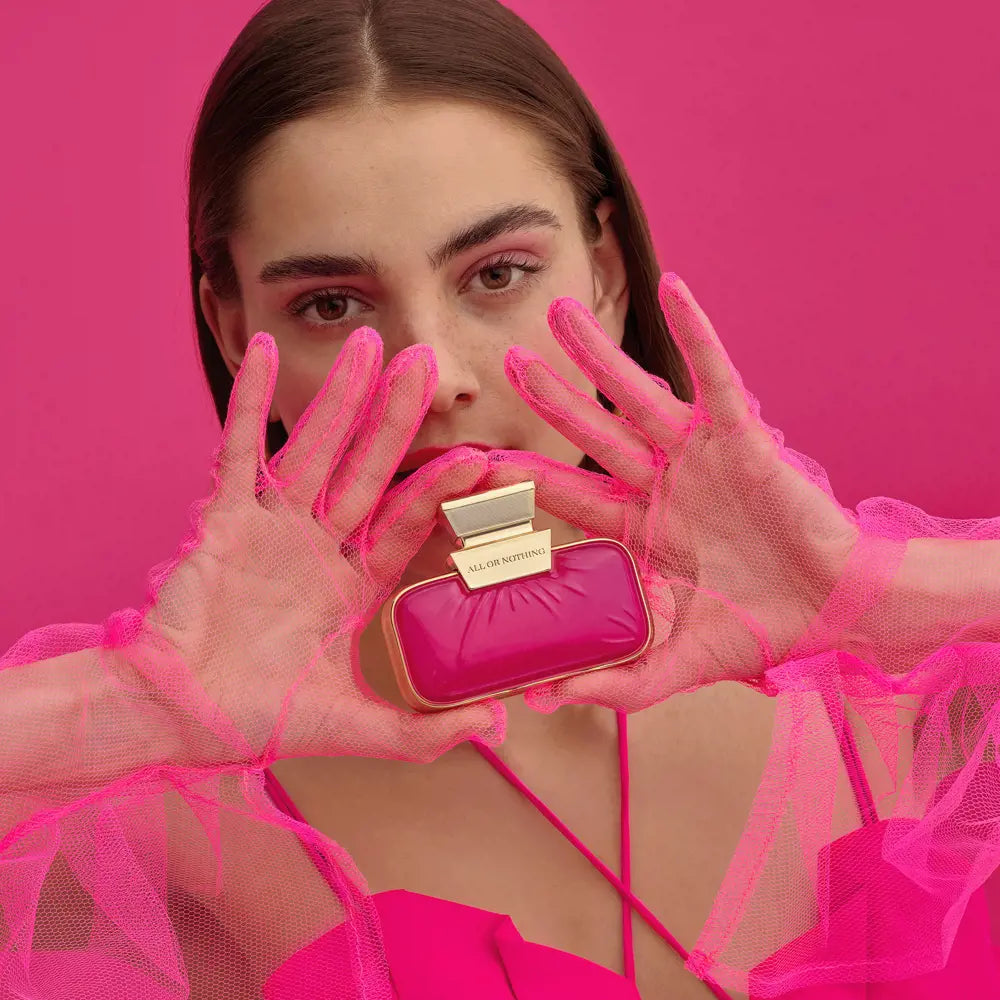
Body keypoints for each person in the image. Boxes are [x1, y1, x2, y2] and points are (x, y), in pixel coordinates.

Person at [2, 1, 999, 997]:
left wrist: (878, 595)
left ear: (604, 273)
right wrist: (139, 707)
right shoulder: (170, 825)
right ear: (233, 332)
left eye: (498, 274)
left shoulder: (900, 704)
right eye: (330, 305)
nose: (435, 376)